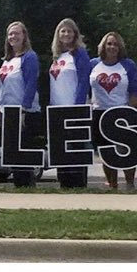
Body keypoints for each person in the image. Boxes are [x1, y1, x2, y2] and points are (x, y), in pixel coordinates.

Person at [90, 32, 137, 189]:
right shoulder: (93, 64)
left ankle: (130, 183)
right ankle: (112, 184)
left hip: (121, 113)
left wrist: (131, 112)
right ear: (103, 46)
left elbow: (135, 91)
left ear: (120, 47)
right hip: (100, 112)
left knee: (126, 150)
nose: (112, 47)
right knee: (106, 151)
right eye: (109, 44)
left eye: (115, 44)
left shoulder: (128, 65)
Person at [0, 21, 42, 188]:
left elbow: (31, 84)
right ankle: (19, 186)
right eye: (10, 34)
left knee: (23, 154)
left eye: (17, 33)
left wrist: (23, 109)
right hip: (7, 113)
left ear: (24, 36)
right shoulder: (7, 61)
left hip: (25, 114)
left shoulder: (29, 57)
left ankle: (27, 187)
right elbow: (2, 88)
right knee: (12, 155)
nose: (13, 37)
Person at [48, 19, 93, 188]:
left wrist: (77, 108)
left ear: (75, 34)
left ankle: (78, 185)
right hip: (57, 110)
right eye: (62, 31)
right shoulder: (57, 56)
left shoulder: (79, 54)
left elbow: (83, 81)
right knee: (61, 151)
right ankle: (64, 185)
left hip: (74, 110)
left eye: (69, 31)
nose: (66, 34)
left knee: (76, 149)